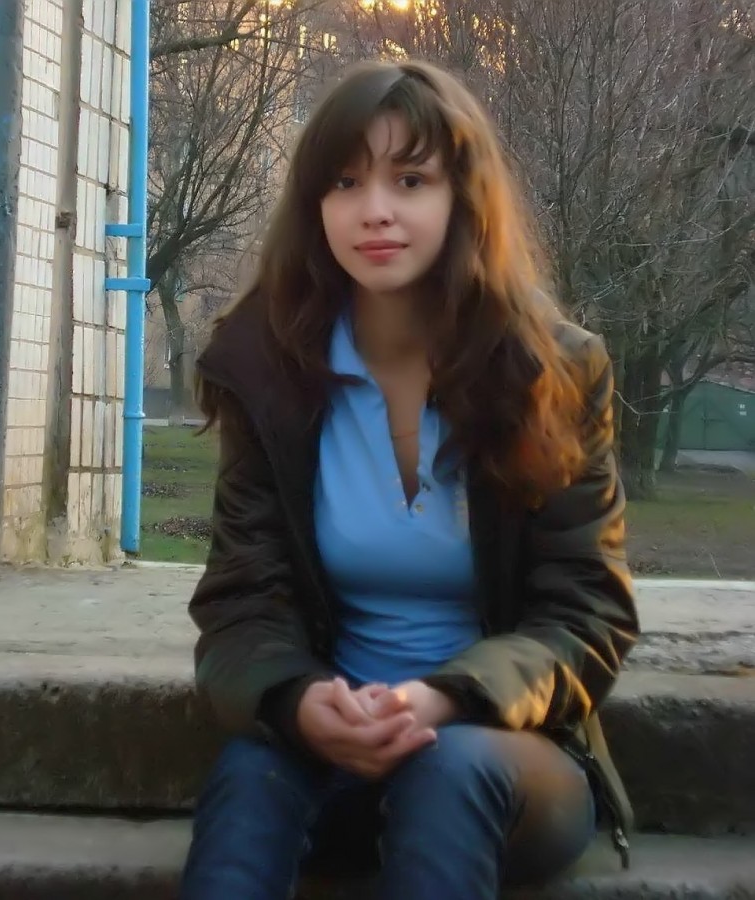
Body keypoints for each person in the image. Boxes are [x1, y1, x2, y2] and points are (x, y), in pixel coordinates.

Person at [181, 59, 639, 900]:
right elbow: (241, 602)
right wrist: (298, 700)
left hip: (504, 756)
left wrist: (447, 698)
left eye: (411, 179)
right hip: (330, 751)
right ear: (314, 204)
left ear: (463, 198)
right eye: (345, 182)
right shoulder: (268, 371)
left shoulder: (552, 372)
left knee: (451, 770)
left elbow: (588, 613)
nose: (375, 210)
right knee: (251, 774)